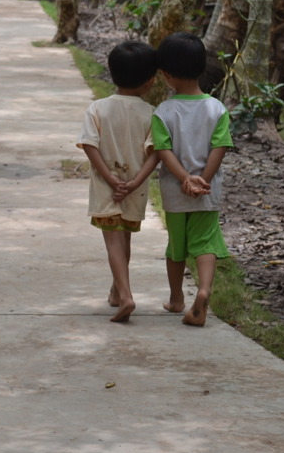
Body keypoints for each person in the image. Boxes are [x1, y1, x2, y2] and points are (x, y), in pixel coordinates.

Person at [151, 32, 232, 327]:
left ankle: (176, 299)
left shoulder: (164, 111)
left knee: (177, 246)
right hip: (207, 191)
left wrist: (185, 179)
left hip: (175, 191)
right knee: (205, 243)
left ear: (167, 75)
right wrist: (202, 180)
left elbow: (163, 151)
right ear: (201, 67)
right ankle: (204, 290)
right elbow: (219, 147)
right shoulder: (217, 109)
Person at [77, 40, 160, 323]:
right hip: (134, 190)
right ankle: (116, 291)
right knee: (124, 239)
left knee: (112, 240)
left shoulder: (97, 109)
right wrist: (135, 181)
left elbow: (90, 146)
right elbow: (156, 153)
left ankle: (125, 296)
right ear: (150, 81)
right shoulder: (151, 113)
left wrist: (111, 179)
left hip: (106, 187)